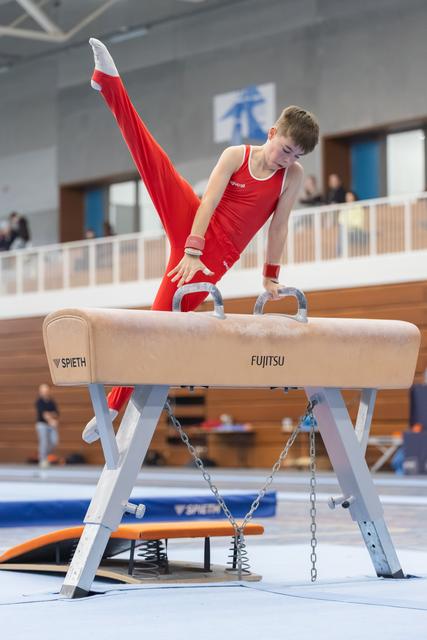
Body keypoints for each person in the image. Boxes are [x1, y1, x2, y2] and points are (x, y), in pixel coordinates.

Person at [82, 38, 319, 443]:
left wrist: (270, 276)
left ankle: (113, 406)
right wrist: (191, 249)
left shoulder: (290, 178)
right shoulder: (235, 156)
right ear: (272, 132)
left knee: (159, 325)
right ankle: (109, 82)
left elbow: (278, 226)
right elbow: (207, 201)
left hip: (216, 259)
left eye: (297, 155)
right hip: (194, 227)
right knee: (152, 160)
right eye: (285, 149)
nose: (288, 159)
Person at [35, 383, 60, 468]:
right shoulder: (39, 402)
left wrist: (51, 416)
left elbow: (56, 413)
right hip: (42, 425)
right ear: (40, 392)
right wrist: (51, 419)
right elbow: (44, 414)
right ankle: (42, 459)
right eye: (43, 391)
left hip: (51, 425)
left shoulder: (52, 402)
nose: (45, 392)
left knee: (54, 441)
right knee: (44, 442)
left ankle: (47, 456)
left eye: (46, 390)